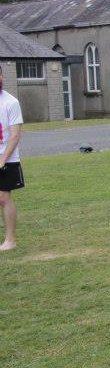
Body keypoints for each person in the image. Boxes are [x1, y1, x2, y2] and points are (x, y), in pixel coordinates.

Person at [0, 65, 24, 251]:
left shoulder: (11, 102)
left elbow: (15, 135)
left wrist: (2, 159)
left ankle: (10, 240)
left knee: (3, 197)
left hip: (7, 158)